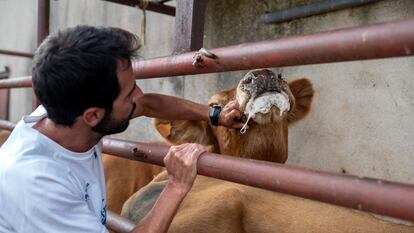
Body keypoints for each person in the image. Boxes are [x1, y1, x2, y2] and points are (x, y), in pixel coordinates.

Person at [0, 26, 243, 233]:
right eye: (129, 93)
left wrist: (214, 114)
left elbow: (147, 103)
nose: (138, 95)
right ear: (93, 115)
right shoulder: (39, 186)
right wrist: (176, 185)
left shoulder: (66, 115)